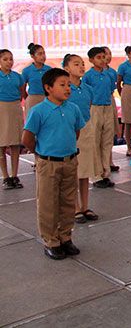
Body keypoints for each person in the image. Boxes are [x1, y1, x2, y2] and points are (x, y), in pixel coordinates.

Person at [22, 68, 85, 259]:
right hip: (48, 163)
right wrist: (42, 154)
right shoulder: (39, 111)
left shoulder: (72, 108)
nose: (67, 88)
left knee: (68, 202)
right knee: (48, 203)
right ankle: (51, 240)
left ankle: (65, 236)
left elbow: (76, 132)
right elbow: (27, 139)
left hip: (69, 161)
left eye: (68, 85)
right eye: (62, 85)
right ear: (48, 88)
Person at [64, 54, 100, 224]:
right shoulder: (65, 89)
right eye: (76, 64)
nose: (81, 67)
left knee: (85, 171)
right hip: (70, 131)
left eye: (82, 64)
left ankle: (85, 205)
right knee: (73, 172)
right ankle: (75, 207)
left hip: (86, 129)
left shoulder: (87, 89)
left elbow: (88, 107)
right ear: (66, 69)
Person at [83, 47, 115, 188]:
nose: (102, 60)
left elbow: (111, 90)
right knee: (95, 140)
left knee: (107, 140)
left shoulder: (109, 74)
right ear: (91, 60)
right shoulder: (88, 76)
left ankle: (105, 172)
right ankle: (95, 175)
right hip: (94, 108)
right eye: (99, 57)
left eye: (104, 57)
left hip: (107, 107)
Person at [0, 49, 25, 189]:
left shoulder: (17, 76)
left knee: (15, 142)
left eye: (11, 59)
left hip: (14, 107)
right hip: (1, 108)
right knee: (2, 143)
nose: (9, 62)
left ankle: (15, 175)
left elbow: (21, 92)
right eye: (5, 59)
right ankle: (5, 176)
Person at [101, 46, 121, 172]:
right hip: (98, 104)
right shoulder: (91, 74)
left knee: (110, 132)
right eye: (104, 54)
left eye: (109, 54)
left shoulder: (112, 72)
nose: (108, 57)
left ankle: (109, 161)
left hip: (110, 100)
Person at [22, 43, 51, 116]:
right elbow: (23, 87)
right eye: (40, 54)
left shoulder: (49, 69)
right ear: (32, 56)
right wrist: (28, 98)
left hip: (47, 99)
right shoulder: (27, 70)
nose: (43, 56)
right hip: (33, 99)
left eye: (44, 53)